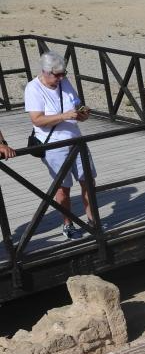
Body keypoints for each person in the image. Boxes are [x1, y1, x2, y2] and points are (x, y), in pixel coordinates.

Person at [24, 51, 95, 239]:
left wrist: (83, 114)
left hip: (76, 140)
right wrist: (64, 116)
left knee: (88, 181)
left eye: (64, 73)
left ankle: (93, 221)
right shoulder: (33, 88)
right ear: (45, 71)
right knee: (63, 188)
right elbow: (37, 120)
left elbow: (76, 105)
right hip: (55, 145)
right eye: (57, 75)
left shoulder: (64, 82)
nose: (61, 78)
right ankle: (68, 224)